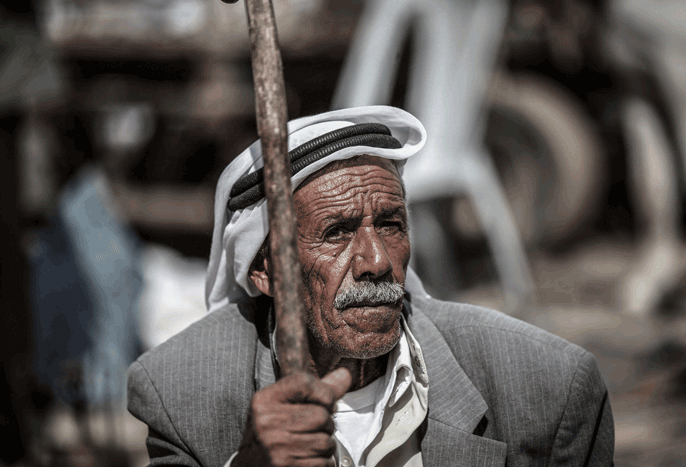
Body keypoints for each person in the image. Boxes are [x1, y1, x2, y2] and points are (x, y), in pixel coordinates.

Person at [127, 106, 614, 467]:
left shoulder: (548, 388)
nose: (377, 261)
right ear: (265, 272)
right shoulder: (180, 394)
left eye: (391, 224)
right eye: (337, 233)